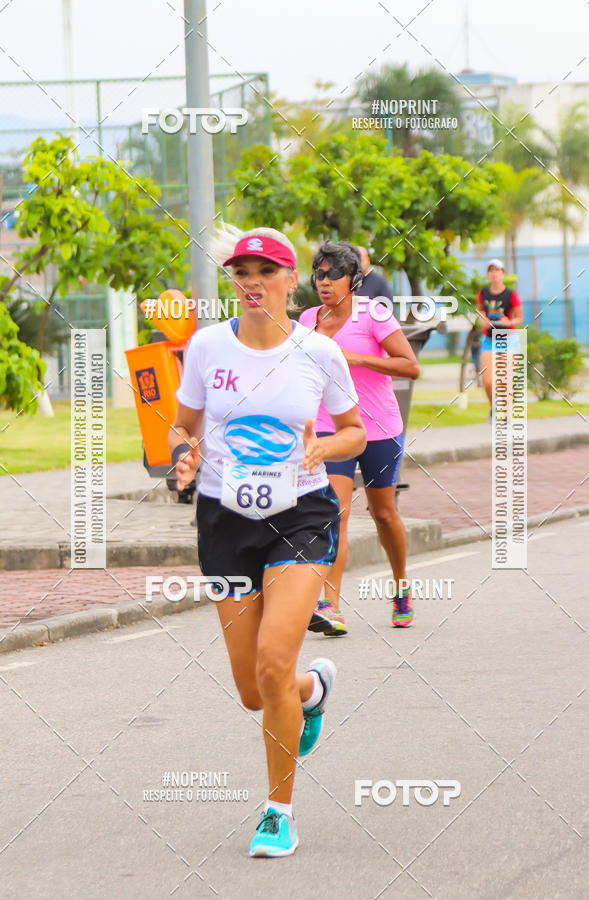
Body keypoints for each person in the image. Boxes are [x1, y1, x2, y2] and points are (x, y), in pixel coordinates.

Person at [168, 227, 366, 858]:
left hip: (301, 515)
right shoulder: (205, 348)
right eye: (240, 272)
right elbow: (182, 425)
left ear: (290, 281)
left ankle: (278, 810)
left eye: (265, 270)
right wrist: (182, 457)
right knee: (255, 689)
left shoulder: (319, 353)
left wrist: (324, 447)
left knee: (274, 663)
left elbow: (356, 433)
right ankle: (314, 691)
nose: (251, 281)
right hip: (225, 519)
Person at [299, 240, 419, 635]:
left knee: (383, 514)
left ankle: (401, 586)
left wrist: (357, 358)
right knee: (335, 514)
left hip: (379, 428)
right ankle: (330, 606)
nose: (325, 281)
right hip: (330, 429)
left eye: (334, 274)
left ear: (354, 279)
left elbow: (409, 366)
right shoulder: (307, 321)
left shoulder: (374, 314)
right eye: (319, 274)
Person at [476, 259, 523, 420]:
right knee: (488, 382)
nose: (494, 273)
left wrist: (508, 322)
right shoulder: (483, 293)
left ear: (502, 273)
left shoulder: (511, 294)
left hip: (508, 340)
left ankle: (506, 415)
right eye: (491, 270)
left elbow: (519, 317)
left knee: (506, 380)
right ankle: (494, 408)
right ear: (488, 274)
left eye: (497, 270)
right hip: (489, 340)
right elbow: (480, 310)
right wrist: (482, 319)